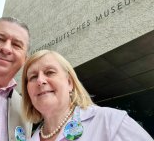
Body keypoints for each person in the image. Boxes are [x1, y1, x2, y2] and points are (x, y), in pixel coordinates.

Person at [21, 49, 153, 141]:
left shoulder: (110, 121)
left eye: (49, 72)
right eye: (32, 77)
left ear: (69, 83)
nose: (40, 80)